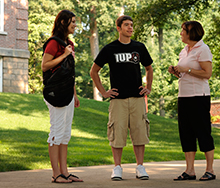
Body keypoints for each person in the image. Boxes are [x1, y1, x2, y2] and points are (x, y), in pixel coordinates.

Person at [90, 15, 153, 181]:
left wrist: (148, 88)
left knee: (139, 133)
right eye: (126, 25)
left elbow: (149, 68)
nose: (130, 28)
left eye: (132, 25)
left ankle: (140, 167)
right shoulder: (110, 49)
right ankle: (117, 168)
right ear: (118, 28)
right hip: (118, 100)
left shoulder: (139, 47)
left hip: (138, 99)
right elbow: (94, 71)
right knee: (117, 134)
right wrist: (104, 92)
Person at [168, 21, 216, 181]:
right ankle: (189, 171)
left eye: (183, 30)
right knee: (186, 133)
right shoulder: (184, 50)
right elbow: (184, 74)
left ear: (191, 32)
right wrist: (176, 71)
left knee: (203, 133)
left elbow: (207, 74)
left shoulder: (203, 49)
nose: (181, 33)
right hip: (184, 97)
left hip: (199, 97)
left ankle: (210, 170)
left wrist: (186, 69)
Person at [41, 10, 83, 183]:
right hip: (55, 94)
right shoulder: (54, 43)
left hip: (67, 93)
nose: (75, 25)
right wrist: (64, 54)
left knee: (65, 134)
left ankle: (65, 172)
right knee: (56, 132)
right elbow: (45, 65)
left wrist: (74, 94)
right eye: (72, 21)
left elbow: (68, 72)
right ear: (64, 23)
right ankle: (55, 173)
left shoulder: (69, 44)